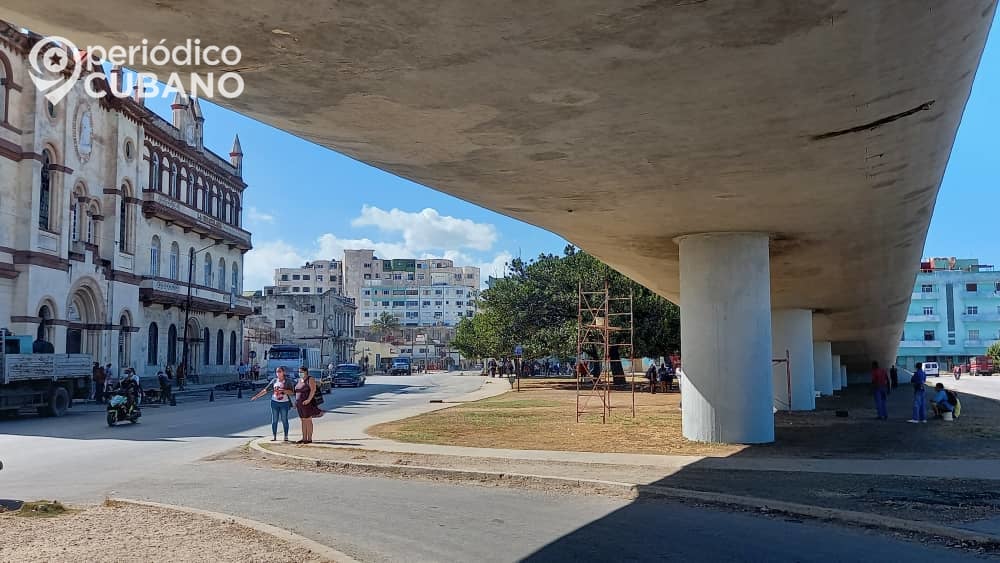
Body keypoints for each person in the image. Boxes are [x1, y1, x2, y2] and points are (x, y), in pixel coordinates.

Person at [251, 366, 294, 441]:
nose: (278, 373)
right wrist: (256, 396)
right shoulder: (274, 381)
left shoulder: (288, 381)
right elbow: (265, 390)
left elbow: (291, 392)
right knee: (274, 420)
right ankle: (274, 436)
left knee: (284, 419)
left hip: (284, 403)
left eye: (280, 371)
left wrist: (283, 391)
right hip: (274, 402)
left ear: (283, 372)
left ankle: (286, 436)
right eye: (277, 371)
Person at [293, 366, 323, 444]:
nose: (300, 373)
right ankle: (304, 438)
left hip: (307, 403)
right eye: (299, 372)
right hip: (300, 404)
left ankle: (309, 438)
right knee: (303, 420)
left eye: (301, 372)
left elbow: (313, 390)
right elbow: (296, 392)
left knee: (308, 420)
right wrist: (295, 402)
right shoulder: (299, 380)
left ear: (306, 372)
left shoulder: (310, 379)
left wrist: (308, 400)